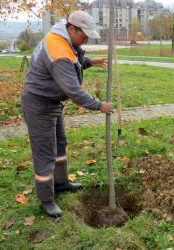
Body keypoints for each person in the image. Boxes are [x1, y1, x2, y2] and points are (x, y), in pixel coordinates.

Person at [21, 11, 113, 217]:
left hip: (51, 101)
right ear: (71, 29)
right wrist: (100, 105)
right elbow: (74, 91)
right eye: (84, 35)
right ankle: (46, 199)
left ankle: (61, 183)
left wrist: (90, 61)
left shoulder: (63, 39)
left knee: (60, 145)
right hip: (38, 103)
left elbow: (74, 61)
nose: (86, 39)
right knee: (45, 152)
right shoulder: (58, 49)